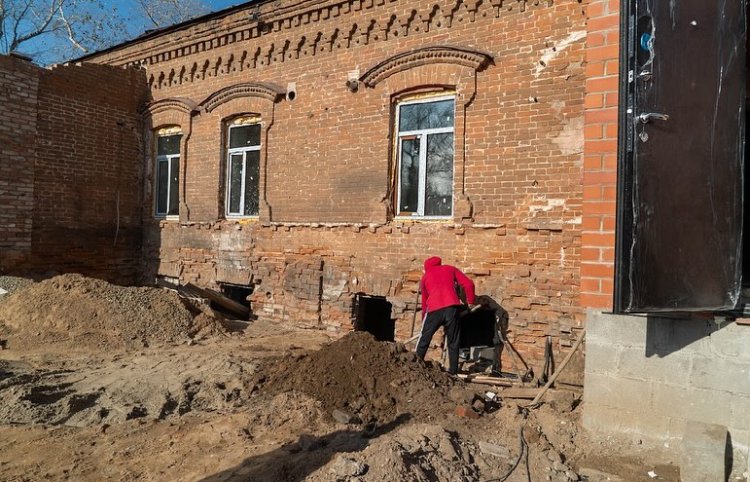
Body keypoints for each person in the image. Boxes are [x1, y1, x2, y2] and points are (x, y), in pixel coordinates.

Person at [416, 256, 476, 375]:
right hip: (452, 309)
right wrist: (471, 302)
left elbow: (424, 303)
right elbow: (469, 284)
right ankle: (453, 372)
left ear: (426, 267)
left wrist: (424, 320)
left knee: (424, 339)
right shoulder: (450, 269)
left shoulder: (425, 277)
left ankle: (415, 366)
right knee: (453, 342)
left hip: (434, 311)